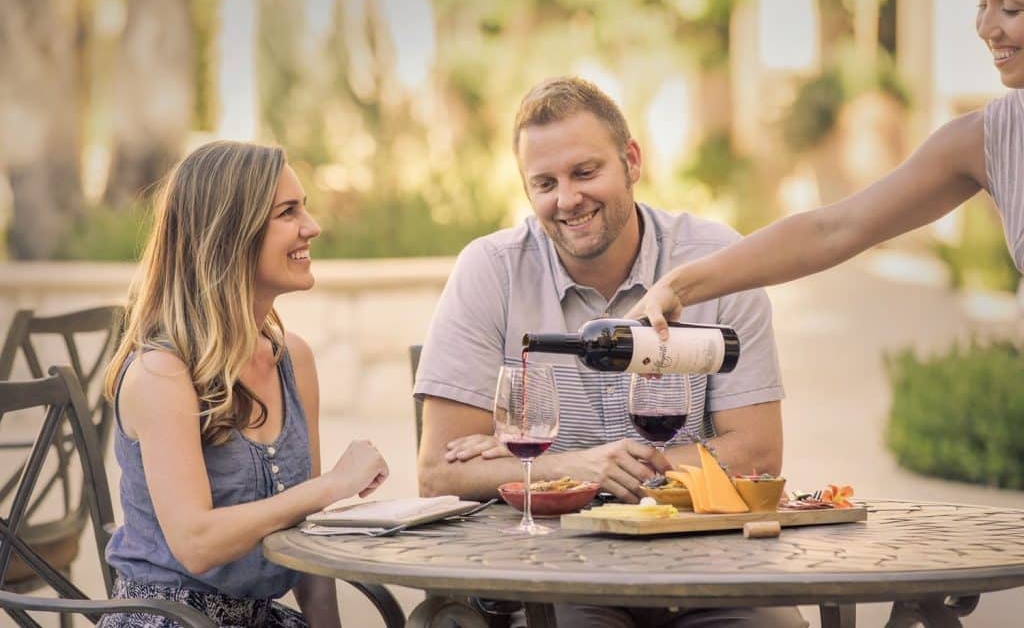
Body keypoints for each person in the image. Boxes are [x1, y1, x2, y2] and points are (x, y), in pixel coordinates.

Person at [414, 76, 805, 628]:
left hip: (704, 561)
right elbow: (438, 473)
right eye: (544, 182)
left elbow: (760, 455)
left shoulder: (718, 262)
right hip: (553, 568)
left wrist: (570, 470)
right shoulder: (491, 271)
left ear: (632, 161)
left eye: (585, 172)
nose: (567, 199)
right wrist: (578, 467)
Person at [628, 0, 1023, 336]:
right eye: (982, 3)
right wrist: (678, 286)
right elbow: (832, 229)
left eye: (1010, 7)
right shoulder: (987, 138)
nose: (986, 28)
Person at [98, 141, 389, 627]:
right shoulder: (162, 374)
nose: (311, 227)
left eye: (306, 208)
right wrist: (331, 486)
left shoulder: (292, 359)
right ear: (230, 234)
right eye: (288, 212)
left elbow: (304, 538)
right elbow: (196, 543)